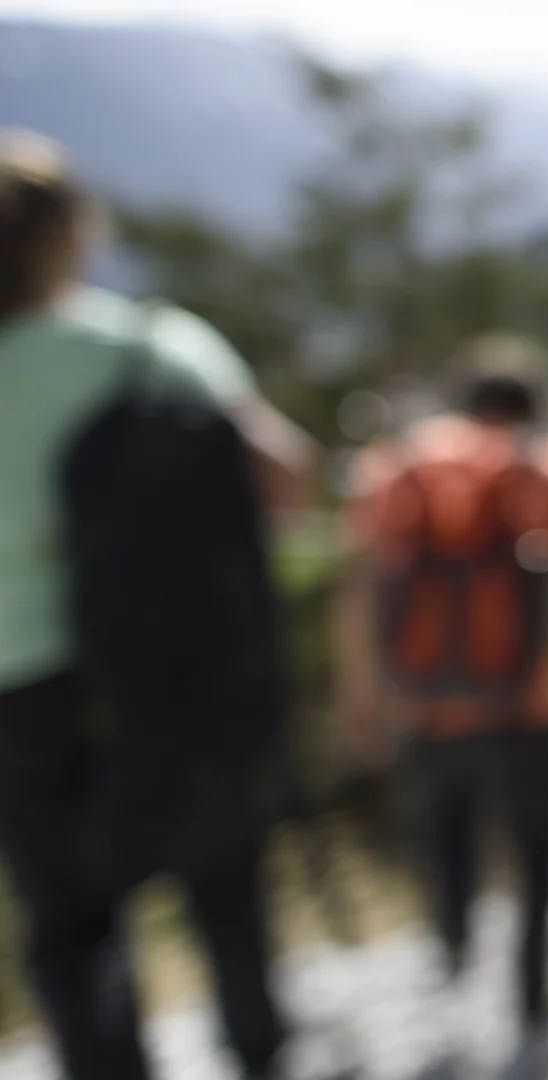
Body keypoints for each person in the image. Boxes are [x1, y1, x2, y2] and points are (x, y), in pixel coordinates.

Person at [0, 130, 318, 1079]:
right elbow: (285, 479)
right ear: (74, 232)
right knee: (220, 870)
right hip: (168, 656)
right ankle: (258, 1052)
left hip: (17, 681)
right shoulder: (148, 345)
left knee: (69, 921)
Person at [334, 334, 548, 1042]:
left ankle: (452, 948)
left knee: (445, 830)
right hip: (528, 700)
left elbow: (358, 590)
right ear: (537, 406)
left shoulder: (394, 470)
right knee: (537, 846)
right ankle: (533, 994)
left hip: (428, 702)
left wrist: (362, 696)